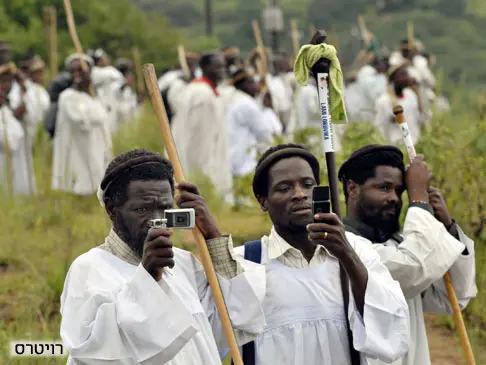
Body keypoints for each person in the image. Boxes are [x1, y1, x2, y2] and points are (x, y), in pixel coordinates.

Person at [60, 149, 266, 364]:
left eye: (165, 208)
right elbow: (93, 353)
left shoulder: (183, 263)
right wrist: (148, 277)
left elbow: (233, 321)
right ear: (112, 209)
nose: (157, 220)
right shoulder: (90, 270)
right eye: (142, 209)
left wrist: (213, 237)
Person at [229, 143, 410, 365]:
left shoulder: (358, 250)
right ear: (263, 201)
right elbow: (219, 328)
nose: (299, 194)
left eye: (307, 184)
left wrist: (346, 255)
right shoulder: (246, 260)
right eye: (284, 188)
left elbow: (390, 329)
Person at [338, 144, 477, 365]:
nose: (394, 198)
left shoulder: (397, 245)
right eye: (384, 187)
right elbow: (411, 268)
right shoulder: (343, 248)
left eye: (400, 191)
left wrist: (448, 227)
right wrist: (420, 201)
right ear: (353, 189)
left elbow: (452, 299)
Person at [171, 52, 233, 204]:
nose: (222, 71)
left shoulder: (202, 89)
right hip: (199, 161)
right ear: (205, 67)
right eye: (217, 67)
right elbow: (200, 140)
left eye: (223, 67)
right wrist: (205, 175)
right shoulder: (202, 94)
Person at [51, 54, 112, 196]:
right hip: (77, 147)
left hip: (96, 144)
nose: (77, 74)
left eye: (81, 71)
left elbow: (103, 117)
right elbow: (80, 120)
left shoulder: (95, 95)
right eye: (73, 71)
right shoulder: (67, 96)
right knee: (80, 179)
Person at [226, 68, 273, 178]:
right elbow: (263, 133)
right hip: (244, 164)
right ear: (242, 85)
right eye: (251, 82)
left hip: (231, 161)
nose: (255, 86)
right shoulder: (246, 103)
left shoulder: (231, 98)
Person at [0, 62, 34, 196]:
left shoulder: (8, 104)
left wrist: (22, 87)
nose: (6, 86)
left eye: (9, 81)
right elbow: (8, 141)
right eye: (2, 81)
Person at [374, 63, 424, 144]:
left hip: (415, 142)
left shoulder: (411, 95)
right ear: (392, 79)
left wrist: (418, 92)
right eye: (402, 75)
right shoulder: (383, 101)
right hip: (396, 145)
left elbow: (420, 118)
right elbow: (379, 126)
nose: (406, 78)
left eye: (406, 74)